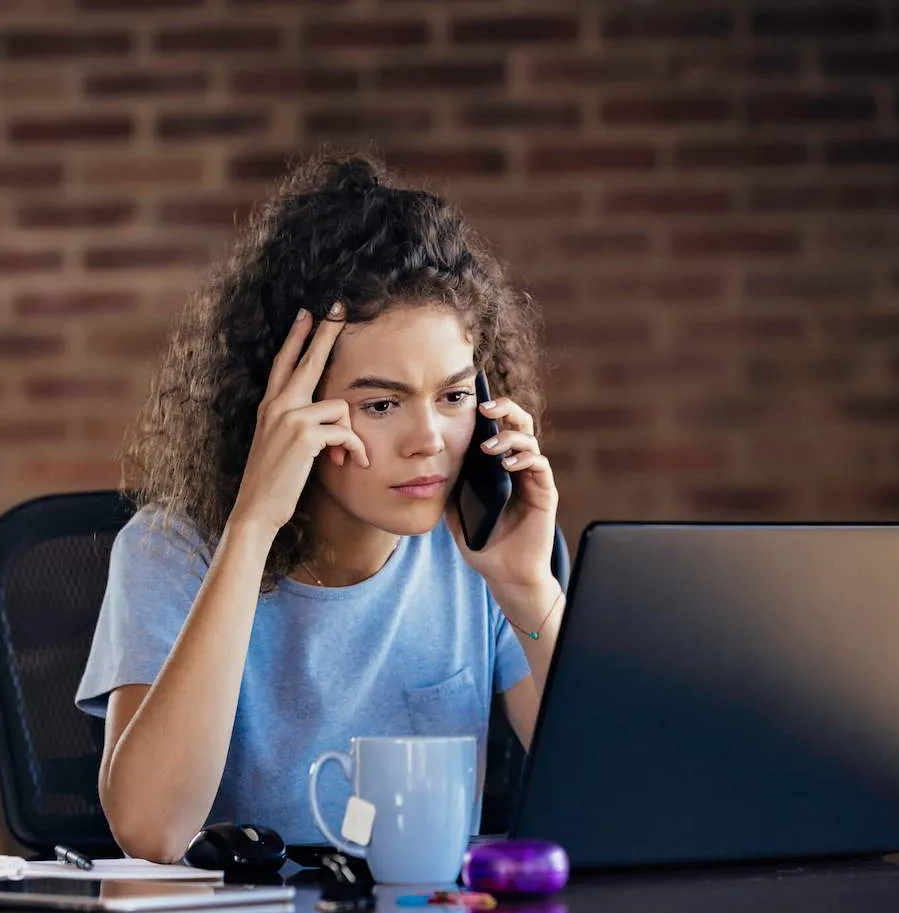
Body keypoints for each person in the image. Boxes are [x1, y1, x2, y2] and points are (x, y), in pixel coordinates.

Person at [75, 151, 565, 863]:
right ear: (288, 409)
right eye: (382, 403)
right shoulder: (168, 550)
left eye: (455, 396)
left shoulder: (480, 553)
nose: (429, 440)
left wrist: (527, 589)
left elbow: (627, 793)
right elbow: (151, 830)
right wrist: (250, 529)